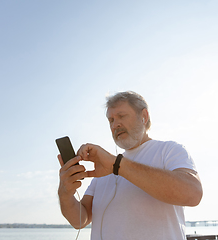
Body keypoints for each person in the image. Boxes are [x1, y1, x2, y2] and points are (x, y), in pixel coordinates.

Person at [57, 91, 203, 240]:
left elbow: (193, 194)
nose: (115, 124)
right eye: (111, 120)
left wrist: (117, 165)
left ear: (144, 116)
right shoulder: (104, 166)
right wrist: (65, 193)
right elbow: (80, 220)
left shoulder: (169, 150)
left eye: (121, 116)